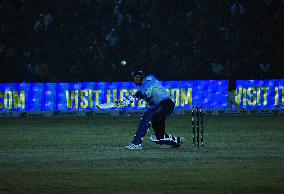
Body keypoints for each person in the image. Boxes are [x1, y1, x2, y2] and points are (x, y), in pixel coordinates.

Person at [124, 70, 185, 150]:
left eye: (138, 76)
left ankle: (136, 143)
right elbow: (140, 94)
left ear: (143, 76)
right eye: (135, 78)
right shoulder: (141, 91)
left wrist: (132, 97)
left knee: (147, 116)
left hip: (166, 104)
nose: (137, 79)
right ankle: (177, 141)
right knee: (159, 138)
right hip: (158, 109)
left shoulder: (150, 78)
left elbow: (143, 89)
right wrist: (125, 102)